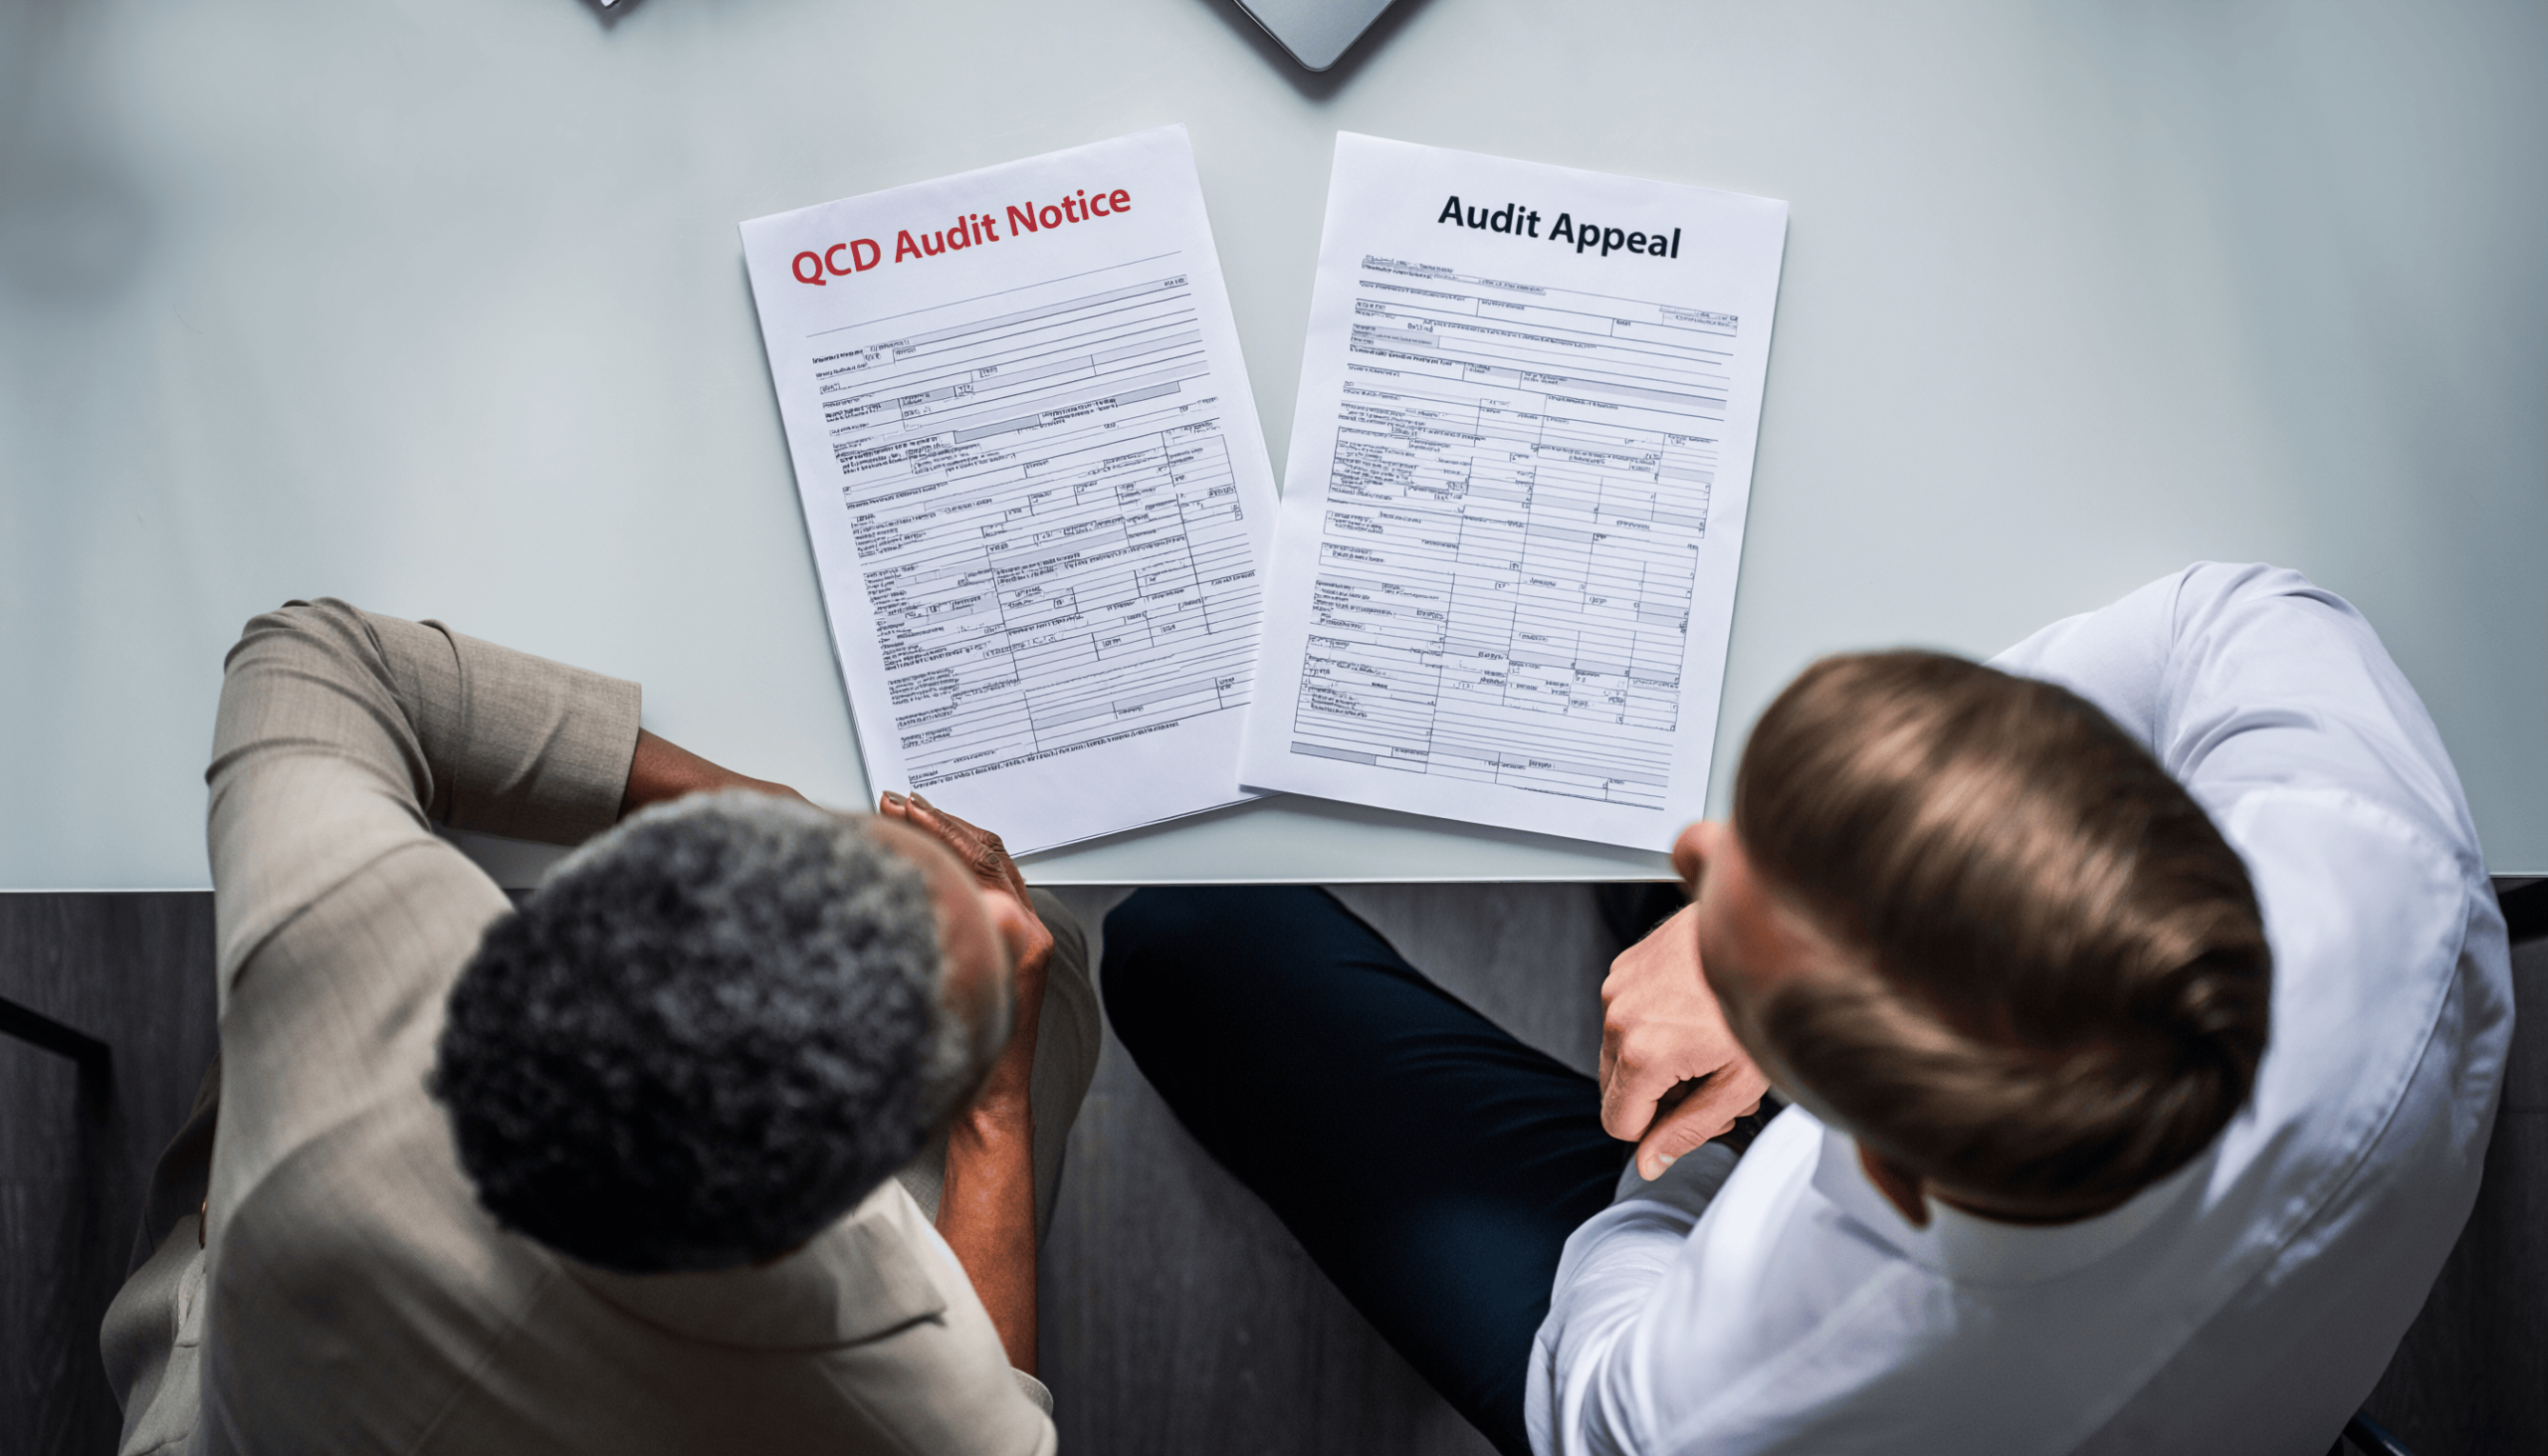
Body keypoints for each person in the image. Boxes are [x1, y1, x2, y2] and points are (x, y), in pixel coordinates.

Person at [1102, 562, 2512, 1455]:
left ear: (1862, 1151)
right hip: (2259, 1352)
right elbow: (2233, 614)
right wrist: (1760, 954)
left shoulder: (1736, 1388)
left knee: (1187, 943)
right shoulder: (2373, 853)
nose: (1702, 853)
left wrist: (1685, 1155)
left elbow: (1596, 1377)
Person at [99, 598, 1098, 1455]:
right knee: (1039, 951)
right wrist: (992, 1110)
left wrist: (761, 808)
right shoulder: (870, 1358)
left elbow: (314, 657)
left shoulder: (354, 985)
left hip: (276, 1347)